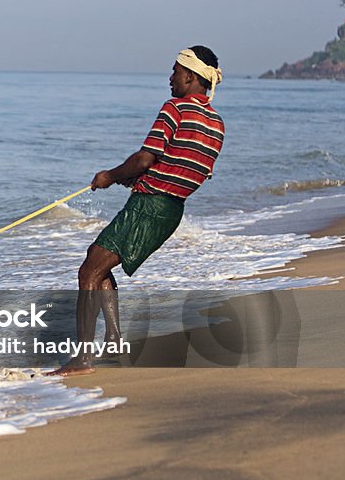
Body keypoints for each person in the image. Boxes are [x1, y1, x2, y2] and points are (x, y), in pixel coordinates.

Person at [48, 46, 224, 376]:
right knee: (96, 260)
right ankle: (113, 338)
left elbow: (146, 157)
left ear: (189, 76)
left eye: (174, 71)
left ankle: (83, 359)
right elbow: (189, 167)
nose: (170, 77)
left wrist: (111, 176)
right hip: (171, 210)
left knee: (89, 272)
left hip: (149, 205)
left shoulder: (176, 107)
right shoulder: (216, 122)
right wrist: (138, 179)